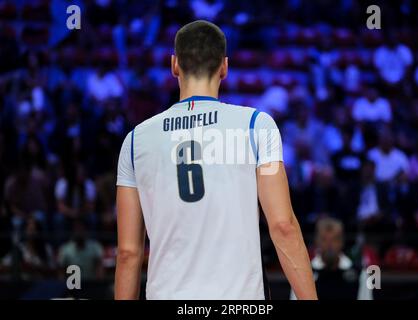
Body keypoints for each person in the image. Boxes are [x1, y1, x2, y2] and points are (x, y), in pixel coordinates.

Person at [114, 20, 317, 300]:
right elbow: (283, 227)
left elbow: (128, 253)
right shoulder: (256, 125)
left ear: (174, 65)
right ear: (224, 67)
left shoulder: (136, 140)